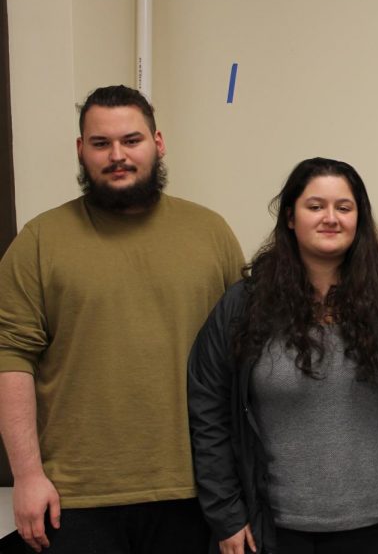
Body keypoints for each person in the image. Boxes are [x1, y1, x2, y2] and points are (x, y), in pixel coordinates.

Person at [0, 85, 244, 552]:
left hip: (195, 490)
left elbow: (244, 359)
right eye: (100, 143)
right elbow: (11, 360)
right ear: (80, 150)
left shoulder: (210, 233)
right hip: (75, 495)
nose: (117, 155)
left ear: (158, 142)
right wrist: (27, 476)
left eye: (131, 140)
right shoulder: (39, 240)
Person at [188, 157, 378, 554]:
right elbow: (208, 410)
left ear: (359, 219)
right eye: (315, 206)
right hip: (273, 529)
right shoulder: (244, 306)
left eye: (344, 208)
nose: (330, 218)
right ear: (291, 218)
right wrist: (226, 515)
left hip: (373, 525)